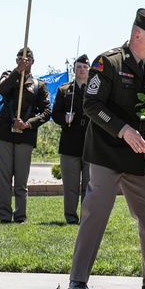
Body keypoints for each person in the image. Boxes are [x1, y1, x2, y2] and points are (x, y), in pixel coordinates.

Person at [68, 9, 145, 289]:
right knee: (95, 213)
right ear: (137, 35)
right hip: (106, 150)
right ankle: (78, 279)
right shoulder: (108, 62)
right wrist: (123, 129)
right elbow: (91, 105)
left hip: (137, 151)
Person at [0, 47, 51, 224]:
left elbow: (47, 112)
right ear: (16, 61)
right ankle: (4, 216)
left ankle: (20, 216)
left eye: (27, 59)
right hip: (4, 132)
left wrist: (28, 124)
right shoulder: (8, 75)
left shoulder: (39, 85)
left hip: (25, 135)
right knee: (4, 178)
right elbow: (2, 89)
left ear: (33, 61)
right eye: (20, 59)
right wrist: (18, 72)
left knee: (21, 180)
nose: (24, 61)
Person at [51, 54, 91, 224]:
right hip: (70, 143)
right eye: (78, 67)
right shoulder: (64, 90)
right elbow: (55, 114)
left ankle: (87, 217)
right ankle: (70, 217)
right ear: (74, 70)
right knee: (71, 186)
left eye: (84, 67)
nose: (81, 70)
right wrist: (64, 118)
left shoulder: (96, 90)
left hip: (90, 143)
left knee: (89, 186)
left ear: (89, 69)